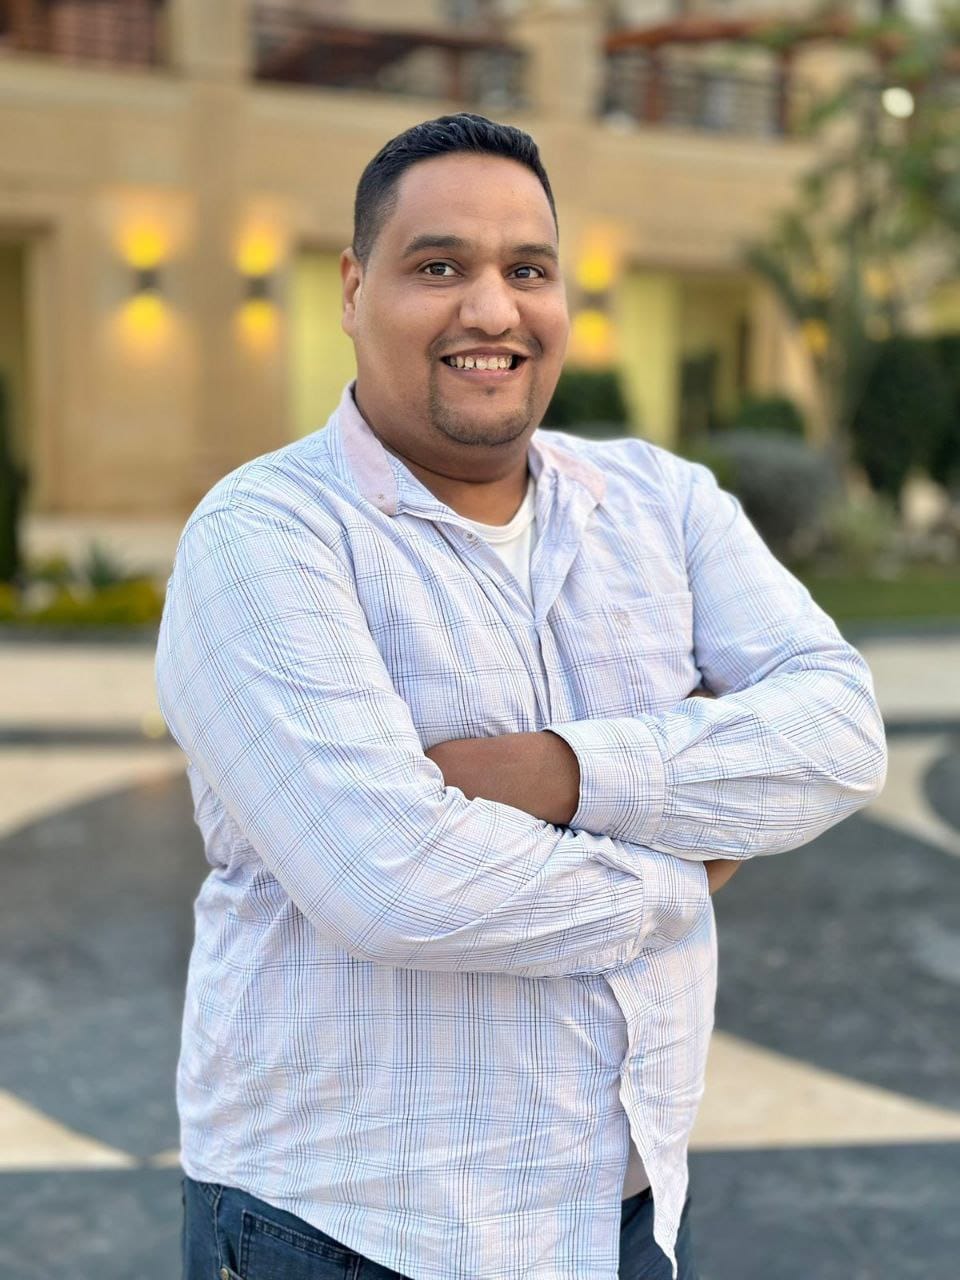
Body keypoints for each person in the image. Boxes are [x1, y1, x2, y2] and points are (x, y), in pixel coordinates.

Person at [156, 113, 887, 1280]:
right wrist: (686, 865)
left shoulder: (662, 502)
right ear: (353, 288)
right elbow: (393, 881)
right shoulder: (266, 536)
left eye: (528, 269)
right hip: (347, 1230)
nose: (492, 309)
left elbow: (840, 729)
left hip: (621, 1210)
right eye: (439, 265)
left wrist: (557, 772)